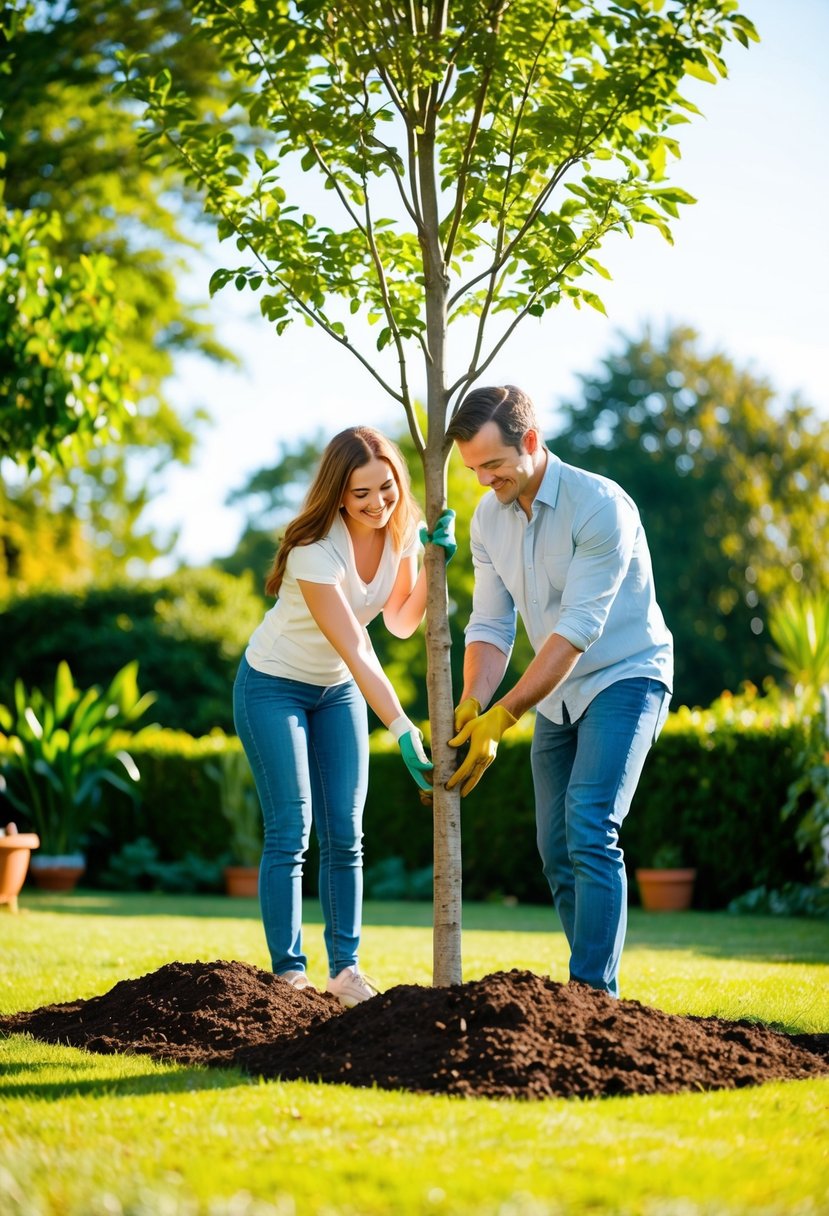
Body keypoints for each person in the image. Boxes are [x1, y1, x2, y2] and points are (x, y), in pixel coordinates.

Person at [444, 385, 673, 997]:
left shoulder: (600, 506)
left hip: (625, 673)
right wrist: (474, 701)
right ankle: (590, 997)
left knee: (591, 823)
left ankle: (593, 996)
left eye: (493, 465)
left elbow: (577, 630)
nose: (483, 480)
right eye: (472, 469)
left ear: (532, 443)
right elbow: (491, 625)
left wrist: (504, 716)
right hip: (557, 695)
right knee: (554, 846)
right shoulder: (488, 518)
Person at [233, 426, 454, 1006]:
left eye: (387, 488)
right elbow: (357, 649)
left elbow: (402, 620)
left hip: (335, 694)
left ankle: (345, 971)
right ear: (337, 495)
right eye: (362, 494)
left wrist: (432, 561)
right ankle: (289, 973)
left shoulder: (399, 531)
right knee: (292, 826)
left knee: (346, 834)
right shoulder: (315, 552)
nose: (378, 503)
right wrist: (403, 727)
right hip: (273, 686)